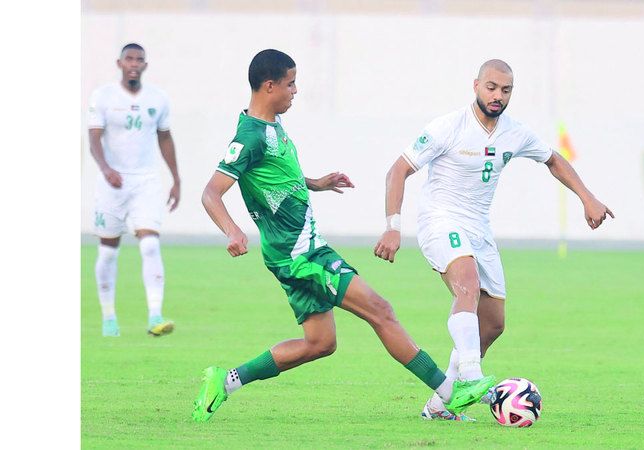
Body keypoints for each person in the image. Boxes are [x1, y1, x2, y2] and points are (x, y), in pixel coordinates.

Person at [191, 49, 494, 423]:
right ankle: (452, 393)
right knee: (380, 311)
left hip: (293, 254)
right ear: (269, 86)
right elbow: (211, 192)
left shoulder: (271, 126)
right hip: (301, 255)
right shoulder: (250, 135)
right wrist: (232, 230)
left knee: (320, 344)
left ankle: (225, 381)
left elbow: (274, 176)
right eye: (290, 83)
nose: (296, 90)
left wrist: (316, 183)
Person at [373, 59, 614, 420]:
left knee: (494, 322)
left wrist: (587, 197)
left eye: (506, 90)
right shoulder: (448, 127)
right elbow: (398, 169)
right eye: (491, 87)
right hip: (441, 220)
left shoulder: (514, 132)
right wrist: (393, 224)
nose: (498, 96)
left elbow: (553, 160)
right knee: (466, 286)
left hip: (479, 229)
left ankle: (441, 405)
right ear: (476, 85)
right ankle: (472, 375)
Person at [88, 43, 180, 337]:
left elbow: (165, 138)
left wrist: (176, 178)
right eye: (129, 58)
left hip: (146, 182)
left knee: (150, 244)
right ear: (119, 63)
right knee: (107, 253)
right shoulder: (103, 97)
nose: (134, 64)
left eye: (139, 59)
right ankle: (109, 318)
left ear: (145, 65)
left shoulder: (158, 98)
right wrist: (105, 169)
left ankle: (155, 315)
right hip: (111, 184)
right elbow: (93, 138)